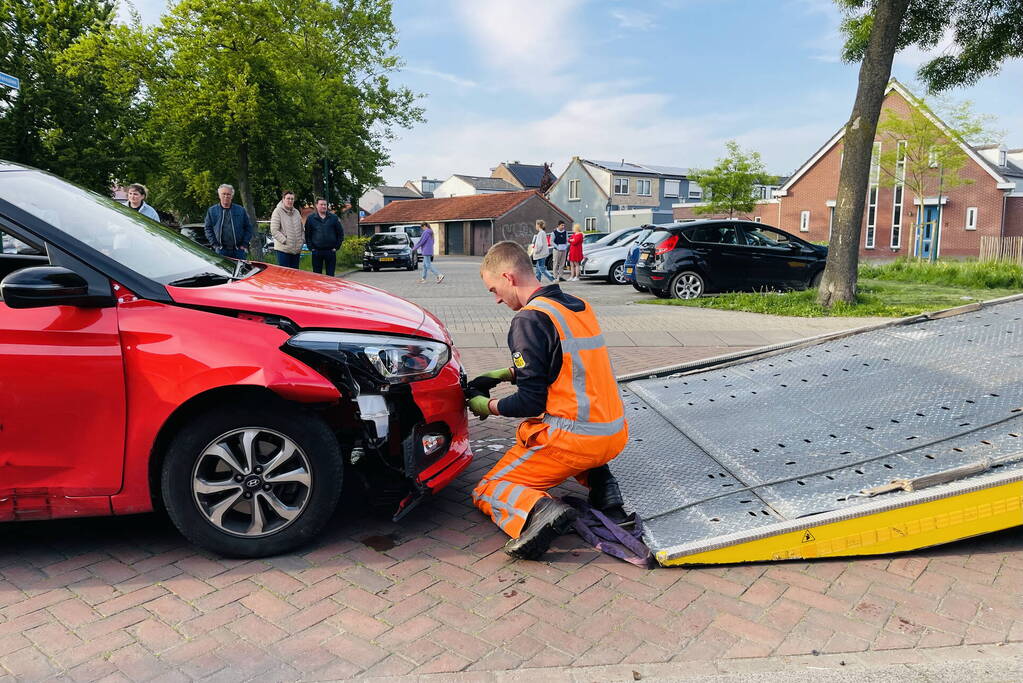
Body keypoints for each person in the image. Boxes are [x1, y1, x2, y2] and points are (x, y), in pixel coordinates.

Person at [466, 241, 630, 560]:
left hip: (574, 441)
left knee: (489, 487)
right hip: (613, 434)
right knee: (578, 450)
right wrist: (507, 374)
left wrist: (486, 405)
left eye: (494, 289)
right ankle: (605, 490)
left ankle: (540, 511)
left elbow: (530, 403)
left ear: (508, 277)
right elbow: (569, 365)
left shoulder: (528, 320)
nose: (496, 298)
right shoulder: (577, 306)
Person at [203, 184, 253, 258]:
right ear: (219, 195)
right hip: (221, 250)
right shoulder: (212, 211)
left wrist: (244, 244)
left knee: (240, 266)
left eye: (228, 194)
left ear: (232, 196)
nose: (226, 196)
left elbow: (248, 228)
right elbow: (208, 228)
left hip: (238, 250)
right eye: (223, 194)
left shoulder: (240, 210)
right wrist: (214, 244)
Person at [304, 198, 344, 276]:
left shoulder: (334, 218)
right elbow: (307, 234)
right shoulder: (311, 219)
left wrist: (336, 247)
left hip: (330, 251)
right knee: (317, 276)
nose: (323, 206)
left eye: (325, 204)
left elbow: (340, 233)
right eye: (321, 204)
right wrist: (311, 248)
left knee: (330, 276)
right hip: (316, 251)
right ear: (316, 205)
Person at [270, 190, 303, 268]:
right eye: (288, 198)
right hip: (283, 250)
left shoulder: (297, 212)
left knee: (295, 273)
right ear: (283, 199)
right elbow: (274, 230)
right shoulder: (277, 211)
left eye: (292, 199)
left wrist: (302, 240)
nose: (290, 201)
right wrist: (285, 240)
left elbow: (302, 229)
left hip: (296, 250)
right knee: (285, 273)